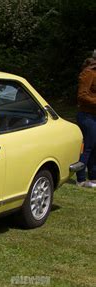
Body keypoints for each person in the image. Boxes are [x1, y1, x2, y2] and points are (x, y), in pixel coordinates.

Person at [76, 50, 96, 188]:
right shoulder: (89, 72)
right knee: (87, 147)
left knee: (95, 147)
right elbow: (82, 95)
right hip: (87, 116)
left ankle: (93, 178)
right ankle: (81, 179)